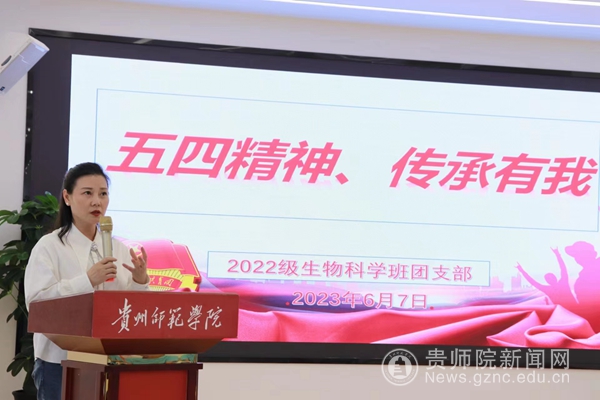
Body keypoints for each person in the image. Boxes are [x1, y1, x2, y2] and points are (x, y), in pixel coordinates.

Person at [24, 162, 151, 400]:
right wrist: (87, 280)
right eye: (88, 193)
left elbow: (130, 308)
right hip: (59, 362)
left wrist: (140, 281)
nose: (97, 202)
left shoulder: (119, 248)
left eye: (103, 194)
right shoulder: (49, 246)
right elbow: (37, 304)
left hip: (109, 361)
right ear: (67, 197)